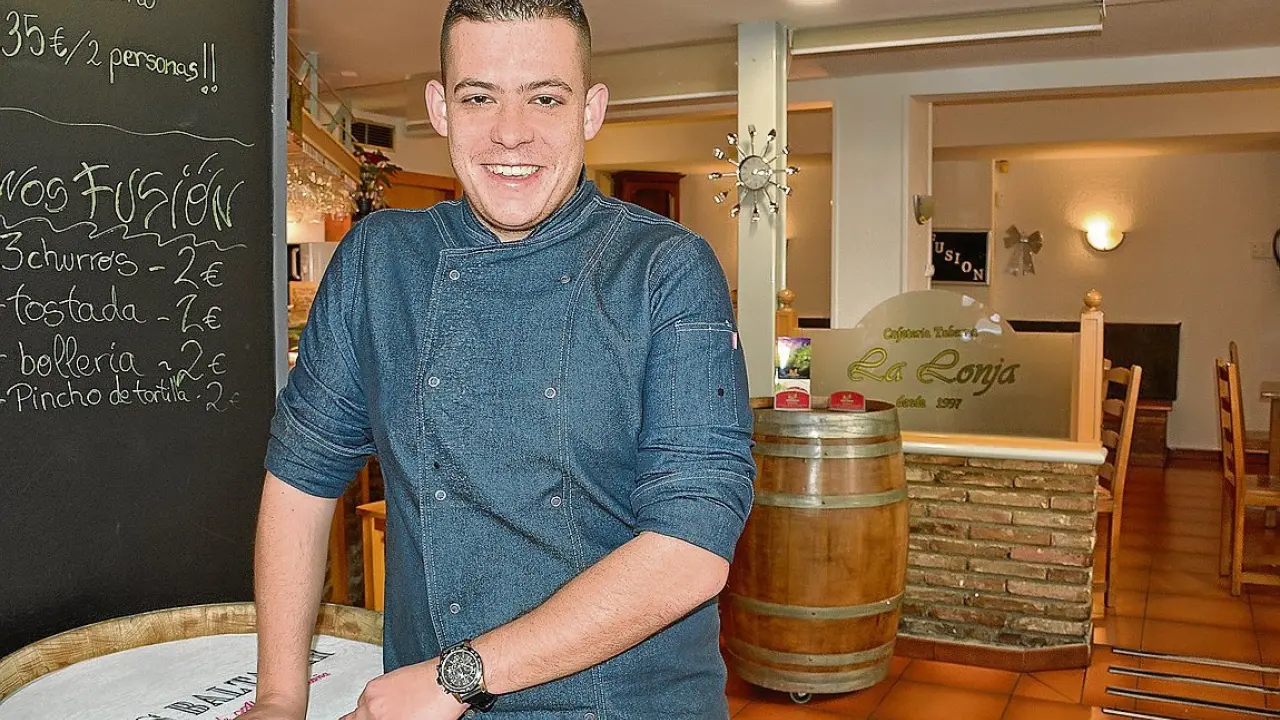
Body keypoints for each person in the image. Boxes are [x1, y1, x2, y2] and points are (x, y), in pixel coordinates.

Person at [248, 0, 755, 717]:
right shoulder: (378, 260)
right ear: (440, 108)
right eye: (479, 97)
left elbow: (691, 546)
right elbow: (300, 478)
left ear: (590, 110)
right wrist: (278, 697)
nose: (510, 132)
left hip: (624, 701)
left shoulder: (666, 269)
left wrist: (454, 678)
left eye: (545, 98)